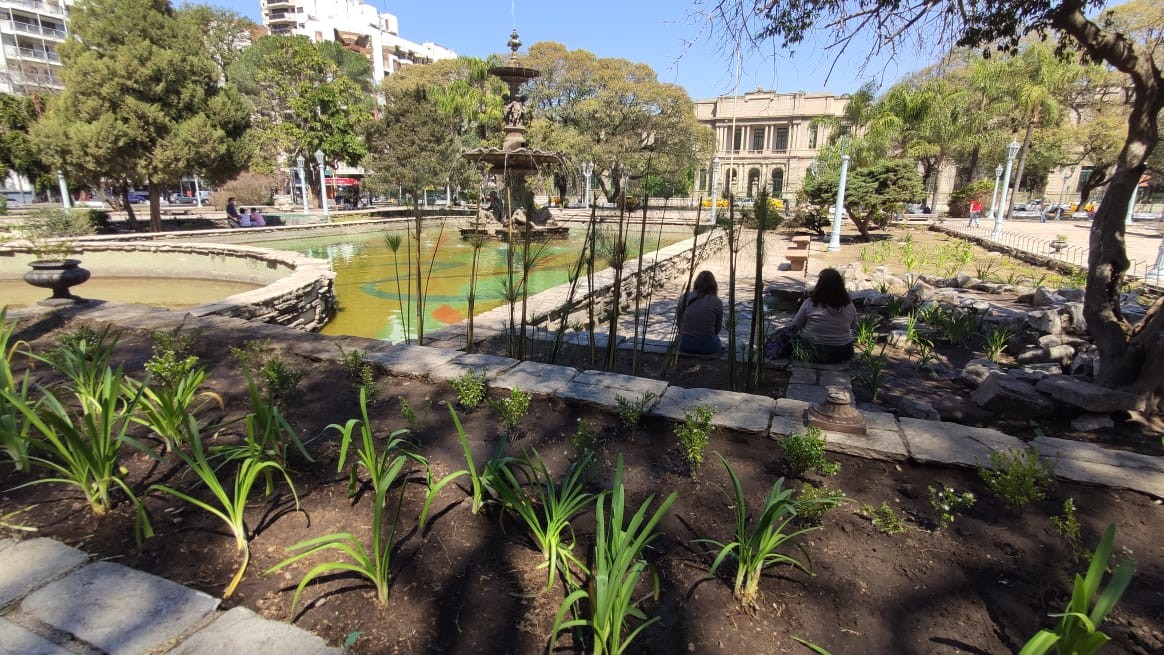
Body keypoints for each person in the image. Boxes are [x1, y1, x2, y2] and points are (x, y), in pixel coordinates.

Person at [767, 268, 857, 364]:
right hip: (843, 352)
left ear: (820, 285)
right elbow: (853, 326)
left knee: (779, 337)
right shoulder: (849, 305)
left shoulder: (811, 303)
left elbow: (795, 326)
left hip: (813, 350)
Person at [676, 270, 724, 355]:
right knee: (717, 342)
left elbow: (679, 323)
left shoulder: (685, 297)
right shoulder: (717, 302)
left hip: (683, 344)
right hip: (707, 346)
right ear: (714, 285)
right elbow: (717, 329)